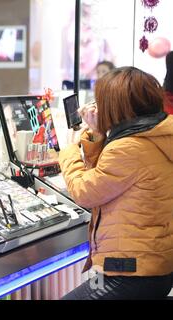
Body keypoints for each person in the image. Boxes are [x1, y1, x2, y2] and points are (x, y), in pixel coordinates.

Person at [59, 67, 173, 300]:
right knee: (93, 283)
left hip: (129, 273)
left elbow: (84, 192)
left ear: (116, 106)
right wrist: (98, 136)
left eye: (101, 102)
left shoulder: (128, 147)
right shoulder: (156, 134)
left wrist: (69, 151)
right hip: (151, 266)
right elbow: (105, 179)